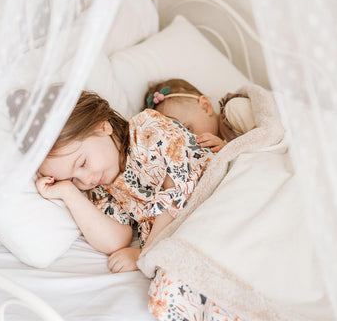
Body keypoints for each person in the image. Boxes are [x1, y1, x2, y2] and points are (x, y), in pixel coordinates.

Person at [35, 90, 213, 272]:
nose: (85, 179)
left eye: (83, 163)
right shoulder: (102, 190)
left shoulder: (148, 129)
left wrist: (146, 252)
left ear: (103, 127)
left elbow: (181, 184)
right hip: (184, 235)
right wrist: (69, 194)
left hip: (212, 194)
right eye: (73, 179)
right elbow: (115, 241)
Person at [144, 78, 256, 152]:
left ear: (205, 107)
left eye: (188, 129)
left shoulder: (234, 111)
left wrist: (227, 149)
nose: (190, 140)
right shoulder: (202, 154)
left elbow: (264, 139)